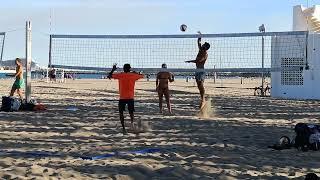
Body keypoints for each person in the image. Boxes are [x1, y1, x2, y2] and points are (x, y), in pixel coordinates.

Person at [108, 63, 144, 134]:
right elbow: (142, 75)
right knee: (131, 112)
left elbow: (109, 76)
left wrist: (113, 69)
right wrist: (134, 72)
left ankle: (124, 128)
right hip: (130, 97)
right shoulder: (133, 75)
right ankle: (132, 124)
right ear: (129, 68)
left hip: (122, 97)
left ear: (123, 68)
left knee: (121, 113)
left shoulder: (120, 75)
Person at [185, 33, 210, 108]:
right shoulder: (200, 50)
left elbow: (198, 61)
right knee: (199, 86)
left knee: (201, 85)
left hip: (201, 71)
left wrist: (190, 61)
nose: (202, 45)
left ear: (205, 47)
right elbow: (198, 42)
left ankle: (203, 100)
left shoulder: (205, 54)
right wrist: (200, 36)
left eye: (204, 45)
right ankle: (203, 100)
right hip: (197, 70)